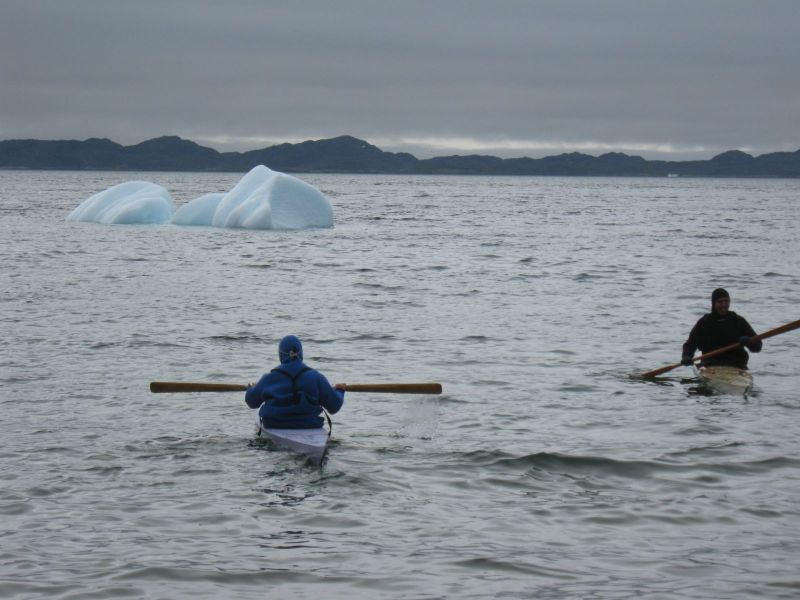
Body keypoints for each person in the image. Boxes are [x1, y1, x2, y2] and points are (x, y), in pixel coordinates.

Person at [245, 335, 345, 428]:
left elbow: (252, 402)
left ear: (281, 354)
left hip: (275, 426)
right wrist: (340, 391)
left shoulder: (269, 378)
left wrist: (251, 388)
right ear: (301, 353)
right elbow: (334, 406)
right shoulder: (316, 377)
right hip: (309, 426)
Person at [681, 288, 762, 369]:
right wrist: (686, 356)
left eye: (726, 301)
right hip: (711, 365)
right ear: (713, 303)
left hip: (737, 365)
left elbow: (757, 347)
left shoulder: (738, 320)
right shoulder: (704, 322)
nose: (724, 304)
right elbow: (690, 345)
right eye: (720, 302)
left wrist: (749, 342)